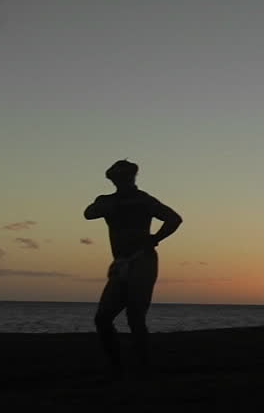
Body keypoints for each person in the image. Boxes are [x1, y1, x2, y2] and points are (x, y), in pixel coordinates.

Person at [84, 159, 182, 378]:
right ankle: (116, 365)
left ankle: (142, 366)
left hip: (142, 260)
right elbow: (89, 213)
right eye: (119, 177)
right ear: (113, 179)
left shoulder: (144, 200)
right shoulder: (108, 201)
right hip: (121, 263)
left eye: (127, 176)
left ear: (132, 177)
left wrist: (155, 238)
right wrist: (114, 205)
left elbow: (174, 219)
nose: (123, 180)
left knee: (135, 316)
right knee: (103, 317)